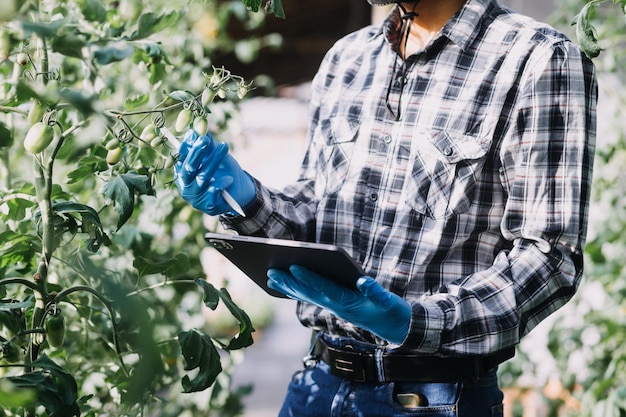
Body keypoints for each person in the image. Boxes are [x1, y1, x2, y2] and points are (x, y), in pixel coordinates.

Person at [175, 0, 597, 415]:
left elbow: (549, 257)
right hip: (316, 384)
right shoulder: (347, 58)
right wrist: (245, 198)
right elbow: (314, 214)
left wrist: (416, 322)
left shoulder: (539, 59)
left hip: (433, 396)